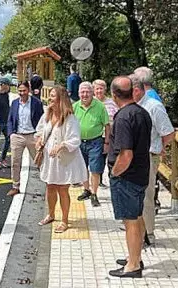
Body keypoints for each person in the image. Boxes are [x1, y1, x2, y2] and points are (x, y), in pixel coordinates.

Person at [107, 76, 152, 278]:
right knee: (138, 215)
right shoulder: (142, 113)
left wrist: (114, 172)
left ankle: (133, 265)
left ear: (114, 94)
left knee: (130, 221)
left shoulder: (123, 117)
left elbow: (126, 154)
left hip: (127, 176)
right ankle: (135, 256)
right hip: (141, 173)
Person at [36, 85, 88, 233]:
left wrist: (61, 145)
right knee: (50, 186)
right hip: (50, 159)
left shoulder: (70, 118)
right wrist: (39, 140)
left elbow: (75, 139)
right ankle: (51, 214)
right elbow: (40, 130)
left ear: (61, 99)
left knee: (62, 189)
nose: (49, 98)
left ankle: (64, 220)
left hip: (65, 160)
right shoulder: (47, 114)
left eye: (52, 96)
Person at [131, 74, 175, 244]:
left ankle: (148, 233)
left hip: (148, 156)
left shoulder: (153, 107)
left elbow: (168, 133)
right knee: (135, 195)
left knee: (146, 195)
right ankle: (136, 229)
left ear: (136, 90)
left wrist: (160, 147)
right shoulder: (134, 105)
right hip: (133, 156)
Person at [73, 82, 110, 207]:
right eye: (82, 92)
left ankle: (94, 193)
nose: (85, 95)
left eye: (87, 92)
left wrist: (106, 142)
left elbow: (107, 125)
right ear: (78, 94)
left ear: (92, 93)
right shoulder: (75, 106)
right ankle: (86, 190)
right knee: (82, 168)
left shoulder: (99, 106)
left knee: (95, 169)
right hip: (79, 142)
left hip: (96, 141)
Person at [6, 81, 45, 196]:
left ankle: (48, 184)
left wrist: (40, 135)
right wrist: (11, 134)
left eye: (24, 90)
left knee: (39, 161)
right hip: (17, 135)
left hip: (32, 135)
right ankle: (15, 186)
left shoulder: (36, 103)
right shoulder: (14, 103)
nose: (22, 93)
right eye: (20, 91)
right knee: (15, 162)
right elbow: (10, 119)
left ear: (29, 90)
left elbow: (42, 120)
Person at [93, 79, 118, 187]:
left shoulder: (112, 102)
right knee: (99, 158)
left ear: (105, 89)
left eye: (101, 88)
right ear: (93, 90)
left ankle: (112, 178)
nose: (99, 91)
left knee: (112, 158)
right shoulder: (91, 102)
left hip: (112, 135)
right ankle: (98, 179)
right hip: (98, 135)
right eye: (97, 88)